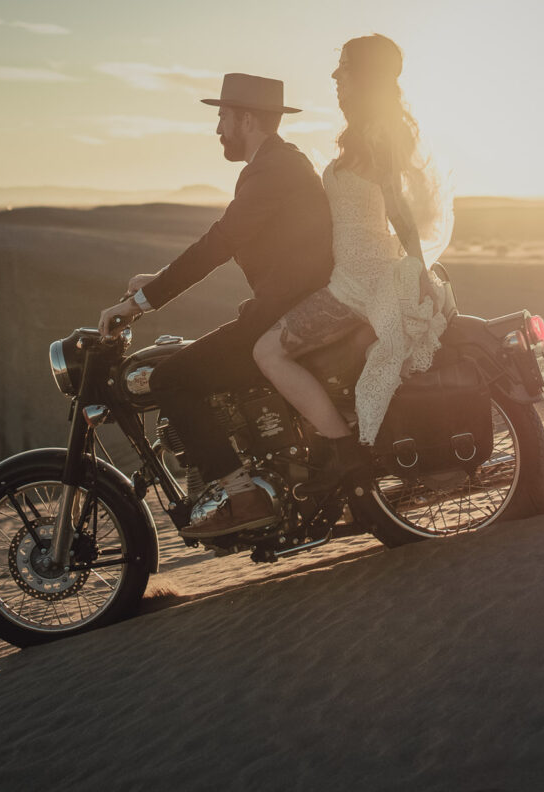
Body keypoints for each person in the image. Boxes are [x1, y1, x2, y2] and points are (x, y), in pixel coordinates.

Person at [98, 72, 333, 538]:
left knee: (171, 377)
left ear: (246, 119)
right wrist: (155, 282)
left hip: (287, 307)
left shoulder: (272, 169)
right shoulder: (276, 165)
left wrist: (142, 303)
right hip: (284, 301)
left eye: (223, 117)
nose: (218, 128)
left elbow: (220, 243)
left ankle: (240, 495)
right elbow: (241, 240)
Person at [252, 34, 451, 489]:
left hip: (359, 286)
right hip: (355, 276)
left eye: (343, 68)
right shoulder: (364, 132)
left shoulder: (377, 132)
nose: (335, 76)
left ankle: (343, 452)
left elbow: (398, 205)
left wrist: (416, 269)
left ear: (363, 76)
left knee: (267, 351)